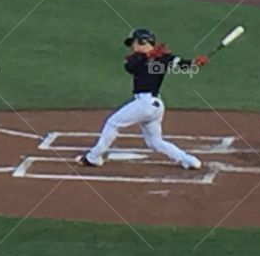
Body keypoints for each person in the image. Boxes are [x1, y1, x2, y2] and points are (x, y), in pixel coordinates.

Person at [78, 28, 207, 169]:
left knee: (113, 123)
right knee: (155, 142)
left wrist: (195, 63)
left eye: (134, 43)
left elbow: (184, 65)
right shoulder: (138, 59)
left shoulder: (162, 59)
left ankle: (93, 157)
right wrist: (149, 56)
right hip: (153, 106)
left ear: (142, 41)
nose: (132, 47)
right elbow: (130, 67)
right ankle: (189, 160)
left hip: (145, 104)